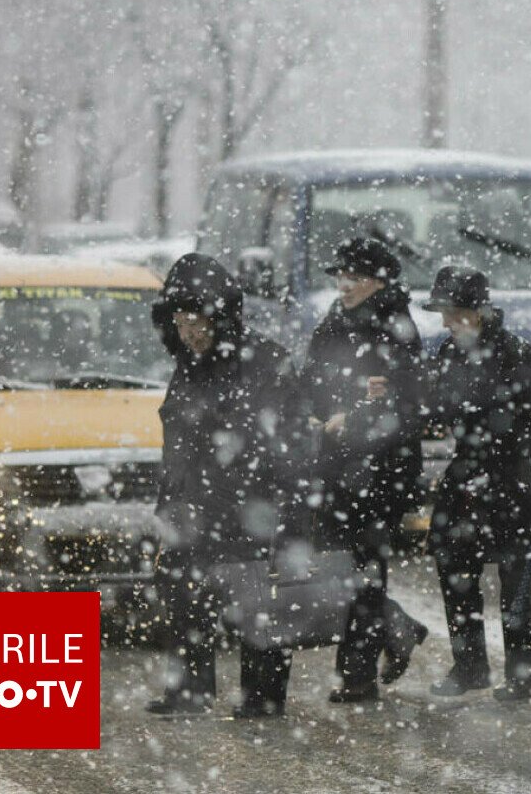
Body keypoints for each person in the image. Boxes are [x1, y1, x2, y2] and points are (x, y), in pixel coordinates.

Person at [145, 253, 299, 720]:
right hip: (189, 508)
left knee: (256, 604)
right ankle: (189, 690)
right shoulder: (188, 365)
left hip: (247, 508)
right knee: (183, 598)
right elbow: (178, 440)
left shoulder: (265, 362)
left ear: (222, 317)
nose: (190, 332)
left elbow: (284, 445)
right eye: (181, 321)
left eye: (198, 321)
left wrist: (281, 514)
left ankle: (263, 696)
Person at [421, 266, 531, 701]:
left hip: (514, 482)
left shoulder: (519, 355)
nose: (446, 321)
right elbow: (434, 416)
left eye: (452, 312)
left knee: (518, 582)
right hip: (465, 479)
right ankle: (469, 666)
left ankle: (524, 677)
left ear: (477, 311)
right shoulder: (448, 355)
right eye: (442, 313)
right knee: (455, 572)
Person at [300, 236, 426, 704]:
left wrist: (355, 419)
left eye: (351, 277)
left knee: (365, 568)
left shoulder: (397, 326)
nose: (342, 284)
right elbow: (311, 376)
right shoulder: (334, 320)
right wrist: (314, 412)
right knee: (342, 569)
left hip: (381, 469)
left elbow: (408, 404)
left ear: (377, 281)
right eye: (339, 276)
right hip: (336, 463)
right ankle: (397, 629)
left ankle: (357, 676)